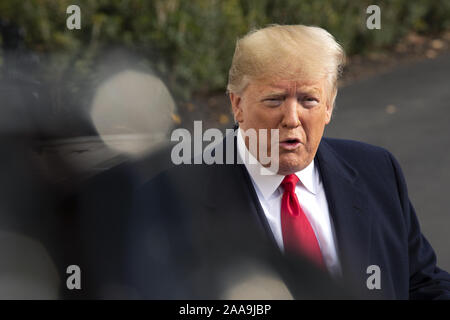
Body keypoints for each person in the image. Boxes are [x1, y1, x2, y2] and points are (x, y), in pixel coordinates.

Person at [128, 24, 450, 299]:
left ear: (329, 105)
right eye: (274, 100)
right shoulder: (173, 201)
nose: (291, 119)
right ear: (237, 105)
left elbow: (422, 284)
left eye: (308, 99)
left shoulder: (377, 172)